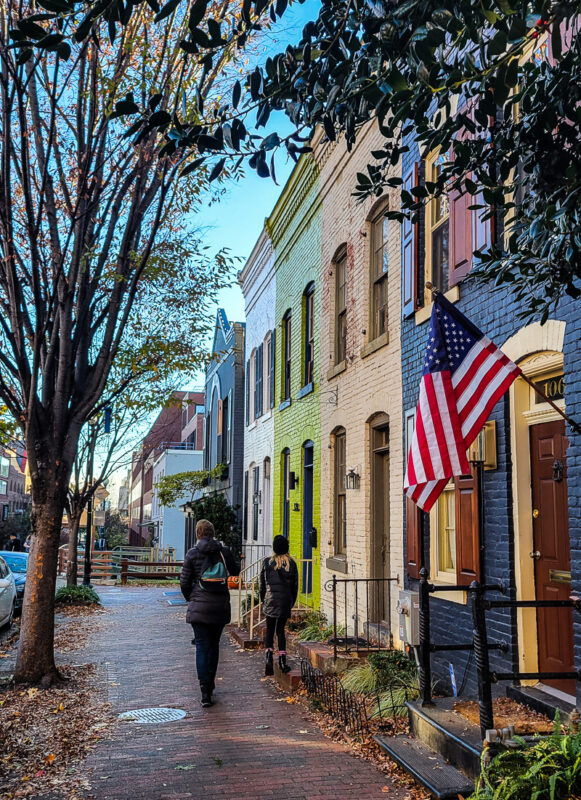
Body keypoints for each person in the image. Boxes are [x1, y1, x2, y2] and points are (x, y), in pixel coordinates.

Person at [180, 519, 240, 708]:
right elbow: (236, 571)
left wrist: (192, 598)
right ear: (212, 533)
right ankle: (210, 684)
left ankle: (204, 689)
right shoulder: (224, 552)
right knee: (214, 646)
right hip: (219, 606)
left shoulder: (192, 554)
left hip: (199, 606)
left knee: (202, 646)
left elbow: (184, 582)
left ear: (198, 533)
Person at [260, 535, 298, 677]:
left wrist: (264, 600)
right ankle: (282, 661)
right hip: (284, 602)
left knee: (270, 629)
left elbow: (263, 586)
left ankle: (269, 657)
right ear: (286, 548)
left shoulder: (266, 563)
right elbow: (295, 587)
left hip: (270, 601)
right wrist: (290, 603)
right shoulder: (292, 564)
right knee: (280, 631)